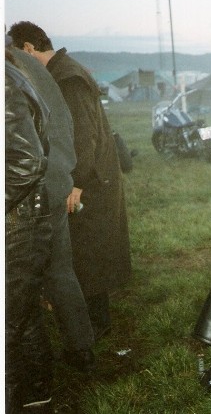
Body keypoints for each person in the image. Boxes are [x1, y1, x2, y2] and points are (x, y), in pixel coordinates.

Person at [9, 21, 132, 340]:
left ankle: (96, 325)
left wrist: (75, 182)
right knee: (87, 251)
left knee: (87, 252)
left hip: (89, 179)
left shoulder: (67, 78)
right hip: (91, 175)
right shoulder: (65, 70)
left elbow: (84, 136)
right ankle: (91, 322)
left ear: (28, 49)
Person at [8, 45, 97, 372]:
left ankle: (30, 370)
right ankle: (81, 349)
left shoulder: (9, 71)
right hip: (55, 179)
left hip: (24, 192)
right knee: (60, 270)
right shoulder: (28, 64)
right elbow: (63, 122)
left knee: (18, 285)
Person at [5, 51, 54, 411]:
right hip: (25, 218)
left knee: (8, 323)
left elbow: (27, 161)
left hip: (17, 221)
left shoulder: (5, 80)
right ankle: (37, 395)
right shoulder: (12, 72)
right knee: (21, 315)